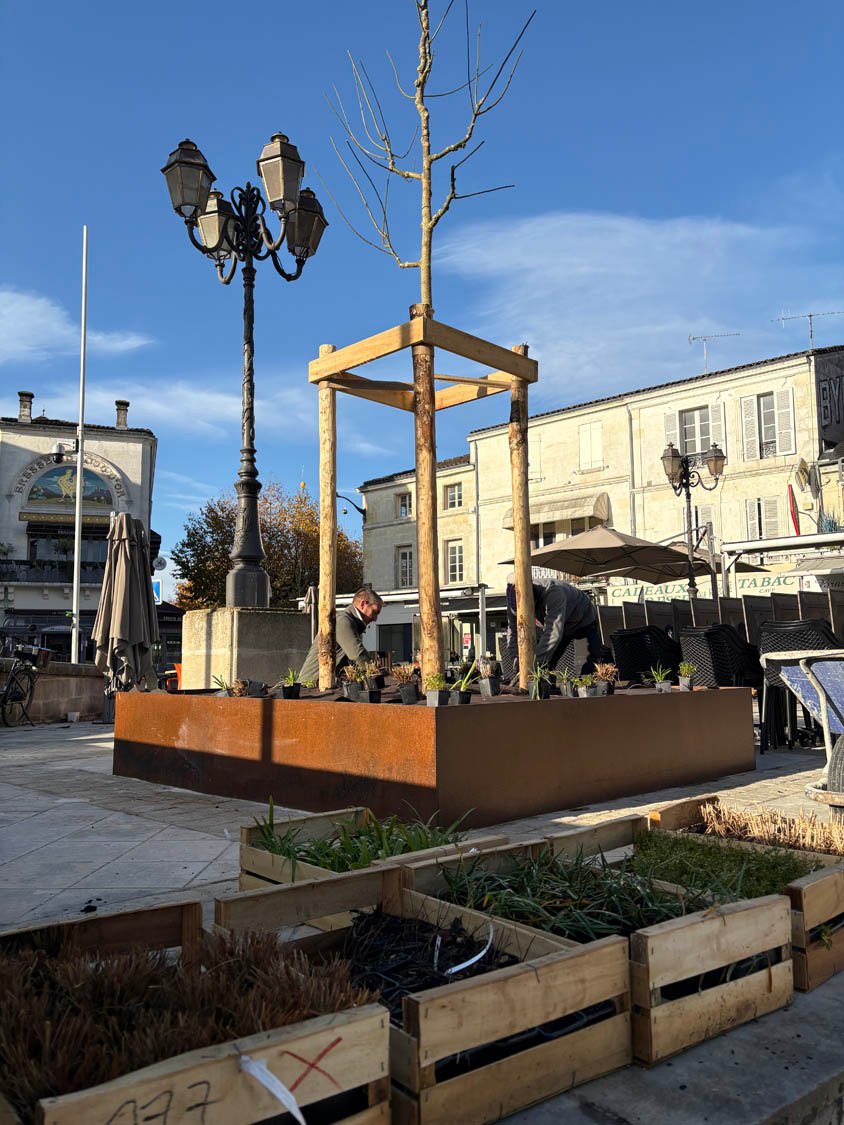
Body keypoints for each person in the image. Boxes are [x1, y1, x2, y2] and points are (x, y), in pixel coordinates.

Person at [505, 574, 601, 678]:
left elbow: (552, 634)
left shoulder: (554, 593)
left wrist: (532, 666)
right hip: (560, 625)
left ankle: (589, 679)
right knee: (546, 665)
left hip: (583, 620)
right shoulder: (513, 604)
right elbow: (513, 631)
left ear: (534, 601)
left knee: (589, 662)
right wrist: (516, 659)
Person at [298, 587, 383, 683]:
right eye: (374, 612)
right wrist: (378, 673)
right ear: (363, 604)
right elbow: (357, 655)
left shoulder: (353, 623)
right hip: (311, 685)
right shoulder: (342, 621)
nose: (375, 619)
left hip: (321, 683)